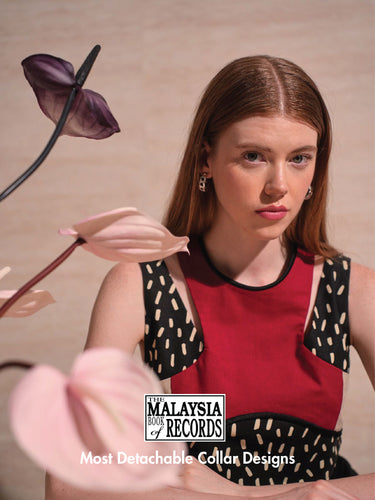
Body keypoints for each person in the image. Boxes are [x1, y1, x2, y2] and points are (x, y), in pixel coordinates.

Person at [45, 56, 375, 499]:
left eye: (299, 158)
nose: (279, 184)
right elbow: (66, 482)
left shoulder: (354, 290)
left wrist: (250, 495)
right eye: (253, 156)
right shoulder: (141, 286)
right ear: (206, 160)